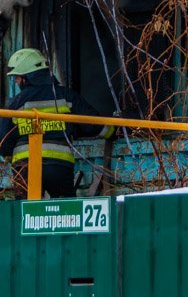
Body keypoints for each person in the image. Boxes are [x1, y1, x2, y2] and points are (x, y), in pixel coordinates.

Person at [0, 48, 115, 198]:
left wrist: (11, 156)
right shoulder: (66, 96)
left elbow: (3, 141)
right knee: (66, 214)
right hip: (59, 167)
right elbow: (93, 124)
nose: (16, 81)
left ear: (26, 78)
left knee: (27, 215)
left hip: (25, 169)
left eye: (17, 77)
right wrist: (113, 132)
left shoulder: (16, 104)